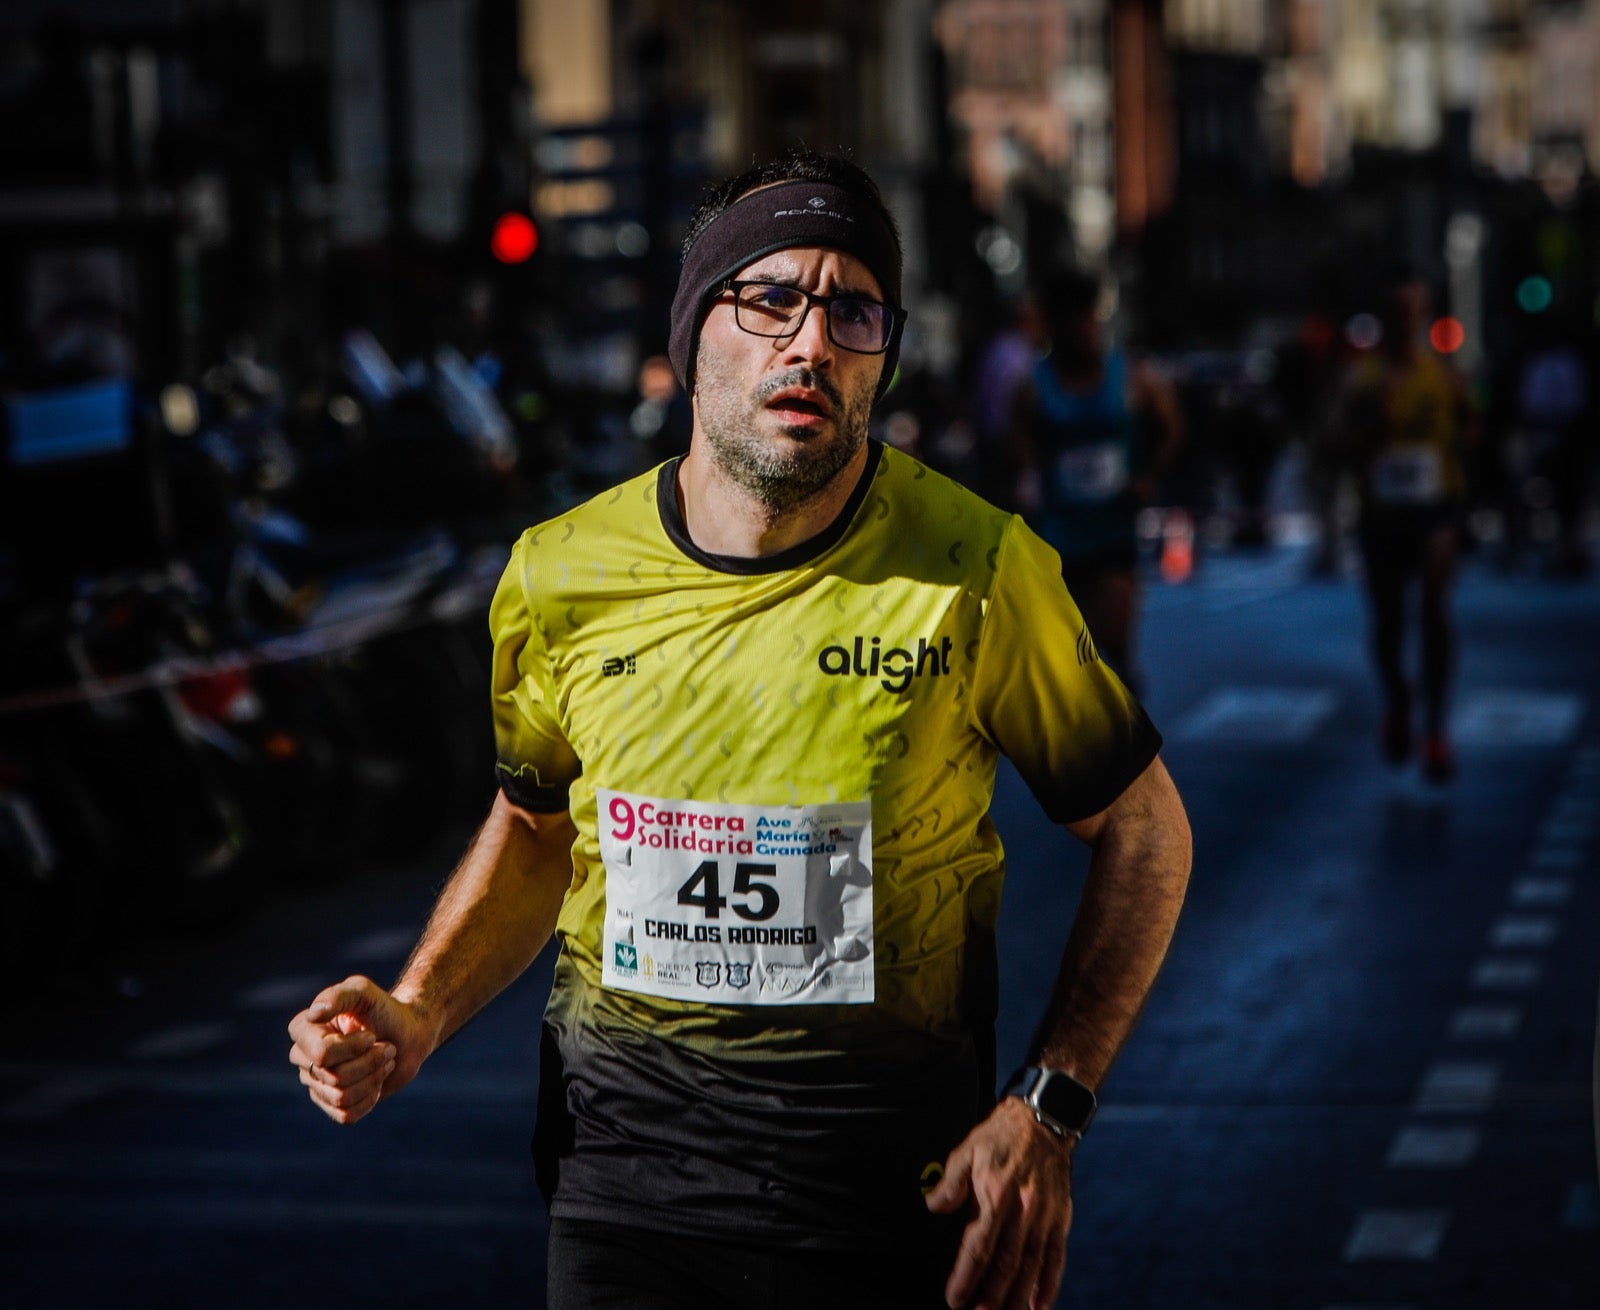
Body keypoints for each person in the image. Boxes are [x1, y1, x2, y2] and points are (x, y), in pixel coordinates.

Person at [288, 150, 1192, 1310]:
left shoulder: (972, 569)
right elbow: (531, 825)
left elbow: (1146, 827)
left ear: (881, 358)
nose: (809, 343)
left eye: (852, 311)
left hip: (891, 1193)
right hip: (624, 1187)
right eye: (769, 298)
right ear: (691, 335)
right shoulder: (561, 575)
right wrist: (419, 1008)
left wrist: (1050, 1107)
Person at [1008, 267, 1183, 689]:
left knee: (1113, 641)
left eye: (1087, 321)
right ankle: (1085, 732)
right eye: (1070, 323)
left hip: (1111, 531)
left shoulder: (1132, 378)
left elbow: (1171, 428)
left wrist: (1147, 477)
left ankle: (1124, 714)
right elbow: (1017, 449)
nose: (1082, 333)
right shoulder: (1034, 388)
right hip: (1057, 537)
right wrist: (1025, 483)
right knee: (1069, 659)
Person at [1338, 269, 1473, 782]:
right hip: (1383, 514)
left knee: (1436, 605)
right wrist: (1372, 421)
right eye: (1397, 310)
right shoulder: (1364, 378)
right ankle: (1399, 696)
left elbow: (1469, 428)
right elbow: (1340, 440)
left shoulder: (1443, 373)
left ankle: (1436, 728)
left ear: (1423, 314)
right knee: (1389, 623)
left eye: (1413, 309)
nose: (1405, 319)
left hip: (1434, 508)